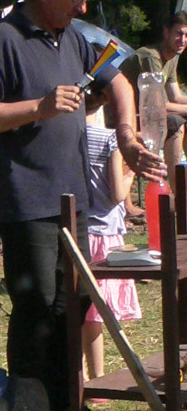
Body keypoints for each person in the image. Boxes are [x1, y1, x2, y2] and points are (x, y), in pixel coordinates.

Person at [0, 0, 162, 411]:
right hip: (24, 198)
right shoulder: (3, 41)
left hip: (73, 197)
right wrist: (38, 107)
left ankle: (71, 409)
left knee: (73, 302)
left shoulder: (71, 38)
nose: (82, 7)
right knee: (36, 306)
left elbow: (118, 80)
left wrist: (127, 138)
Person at [82, 98, 140, 381]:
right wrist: (132, 173)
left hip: (77, 231)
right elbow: (117, 194)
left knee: (79, 312)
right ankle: (98, 377)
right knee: (96, 314)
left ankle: (79, 376)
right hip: (104, 236)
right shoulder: (109, 140)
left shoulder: (67, 138)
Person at [127, 11, 187, 173]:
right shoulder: (151, 57)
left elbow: (176, 96)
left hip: (147, 117)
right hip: (125, 117)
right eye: (179, 34)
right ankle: (177, 187)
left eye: (186, 35)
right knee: (175, 123)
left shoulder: (172, 57)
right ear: (166, 32)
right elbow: (158, 106)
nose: (183, 40)